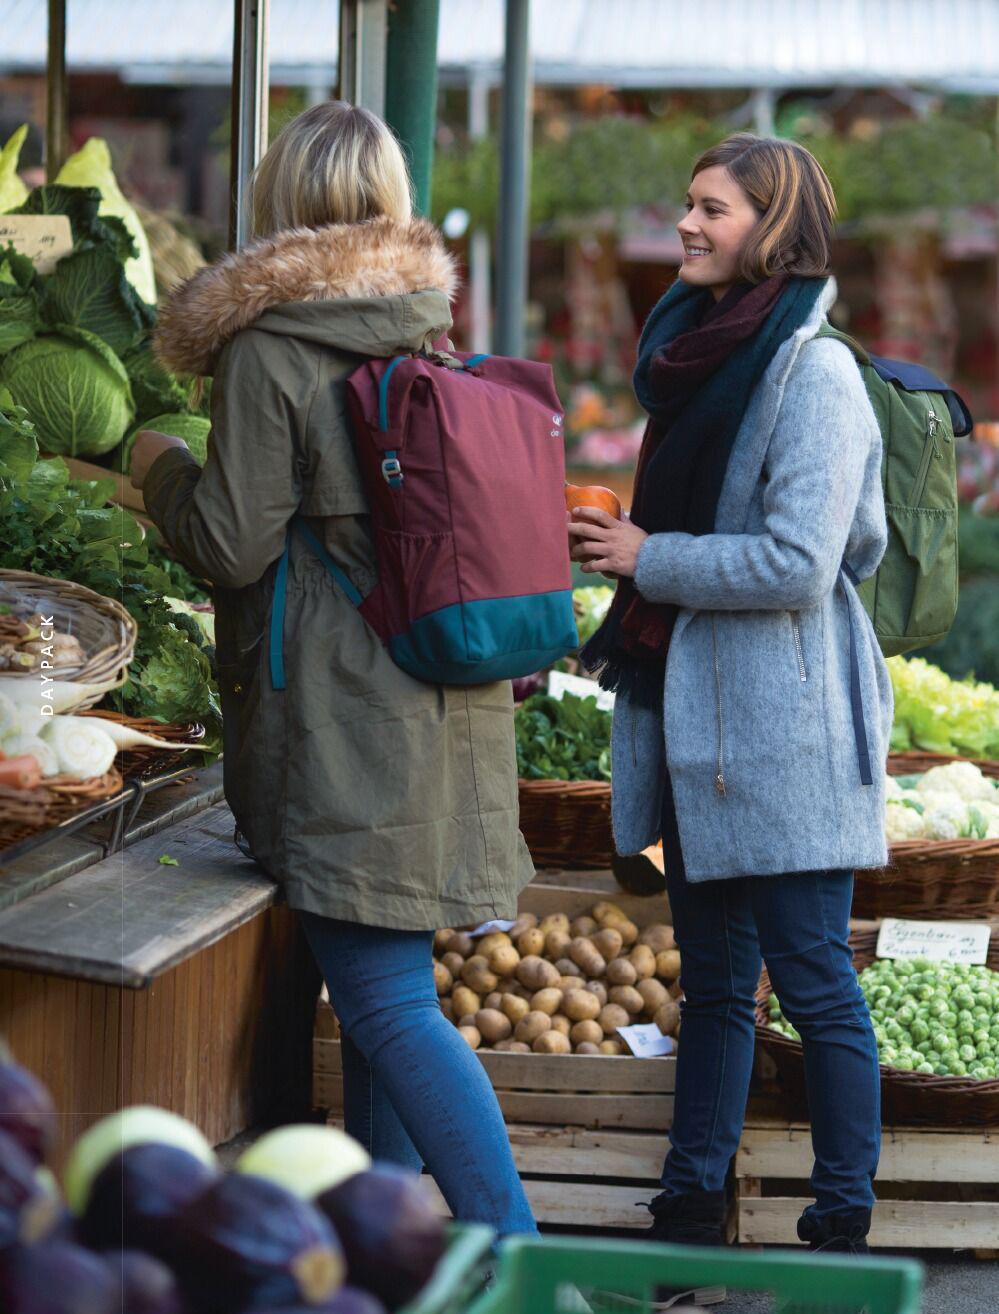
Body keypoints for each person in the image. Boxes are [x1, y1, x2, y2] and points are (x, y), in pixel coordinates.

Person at [131, 101, 536, 1236]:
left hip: (347, 724)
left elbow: (228, 542)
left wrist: (159, 465)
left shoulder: (270, 348)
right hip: (441, 704)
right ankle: (390, 1255)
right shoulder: (424, 324)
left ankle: (524, 1267)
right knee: (378, 1009)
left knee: (392, 1005)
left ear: (280, 206)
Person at [569, 134, 889, 1256]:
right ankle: (690, 1204)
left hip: (786, 725)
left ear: (774, 227)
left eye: (712, 210)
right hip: (697, 716)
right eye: (687, 205)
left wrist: (648, 556)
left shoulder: (818, 373)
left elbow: (804, 561)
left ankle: (842, 1219)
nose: (687, 226)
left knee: (813, 979)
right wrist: (629, 546)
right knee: (715, 981)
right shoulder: (699, 355)